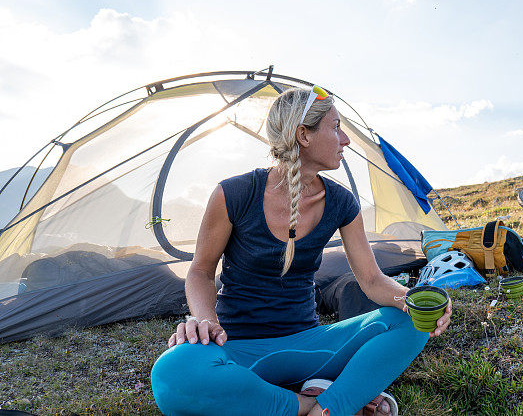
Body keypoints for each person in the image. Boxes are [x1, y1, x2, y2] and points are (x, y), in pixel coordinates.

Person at [150, 86, 452, 416]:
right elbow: (201, 271)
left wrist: (412, 301)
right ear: (303, 136)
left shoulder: (341, 202)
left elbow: (372, 280)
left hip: (309, 345)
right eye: (335, 127)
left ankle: (320, 404)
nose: (346, 140)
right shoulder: (234, 194)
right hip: (235, 350)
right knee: (172, 372)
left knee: (410, 322)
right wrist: (205, 321)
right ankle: (316, 403)